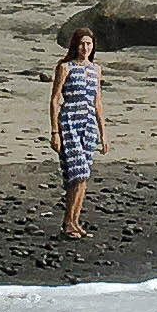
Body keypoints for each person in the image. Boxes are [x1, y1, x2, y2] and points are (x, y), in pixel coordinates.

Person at [48, 20, 107, 238]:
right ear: (76, 45)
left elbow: (97, 102)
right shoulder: (65, 67)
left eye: (89, 44)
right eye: (82, 44)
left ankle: (74, 221)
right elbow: (54, 99)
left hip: (88, 123)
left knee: (84, 175)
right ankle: (68, 222)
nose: (86, 48)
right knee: (77, 172)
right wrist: (55, 132)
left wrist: (103, 134)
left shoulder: (95, 70)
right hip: (69, 121)